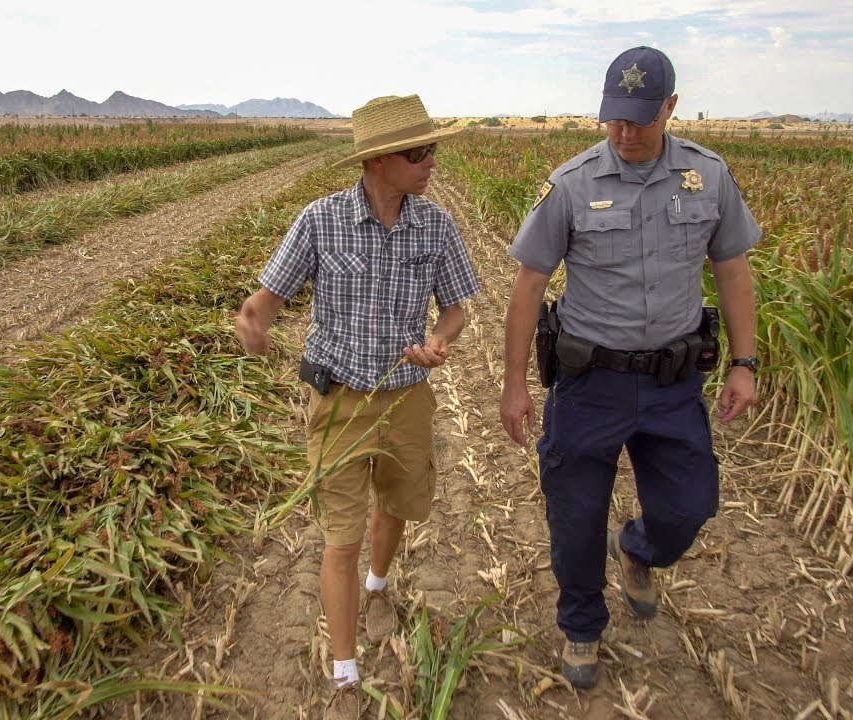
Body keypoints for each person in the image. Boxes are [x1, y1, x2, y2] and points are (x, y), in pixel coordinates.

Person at [498, 46, 760, 689]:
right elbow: (529, 285)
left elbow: (732, 271)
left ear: (670, 108)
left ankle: (639, 549)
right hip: (590, 382)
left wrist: (744, 362)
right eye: (614, 118)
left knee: (688, 508)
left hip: (673, 384)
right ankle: (582, 626)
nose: (624, 132)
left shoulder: (708, 176)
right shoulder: (572, 184)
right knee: (576, 515)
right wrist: (513, 385)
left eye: (639, 119)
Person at [235, 94, 480, 720]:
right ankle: (345, 676)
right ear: (377, 161)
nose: (431, 162)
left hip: (407, 400)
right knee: (340, 539)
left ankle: (379, 585)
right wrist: (253, 323)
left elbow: (455, 309)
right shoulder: (320, 221)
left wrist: (439, 340)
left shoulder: (436, 225)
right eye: (418, 153)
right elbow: (265, 303)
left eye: (432, 150)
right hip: (340, 402)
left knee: (396, 505)